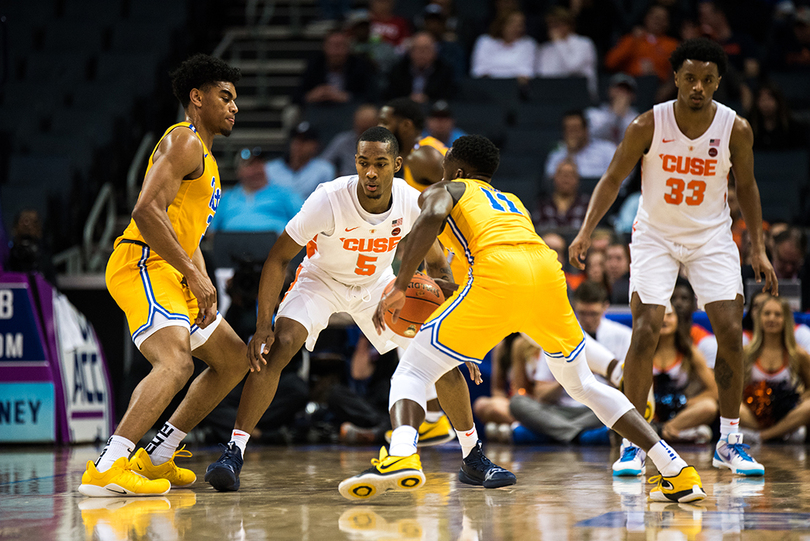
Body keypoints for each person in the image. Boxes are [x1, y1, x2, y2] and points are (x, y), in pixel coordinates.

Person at [340, 135, 706, 503]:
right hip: (546, 273)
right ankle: (675, 469)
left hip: (501, 273)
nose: (443, 166)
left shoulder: (447, 188)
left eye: (447, 160)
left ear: (460, 169)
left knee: (412, 372)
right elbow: (479, 279)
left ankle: (401, 454)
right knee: (583, 386)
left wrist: (401, 283)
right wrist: (466, 345)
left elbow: (432, 221)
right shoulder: (510, 201)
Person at [204, 127, 499, 492]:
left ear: (396, 164)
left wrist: (453, 333)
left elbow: (438, 266)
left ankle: (473, 457)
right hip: (320, 281)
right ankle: (234, 451)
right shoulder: (327, 199)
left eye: (379, 164)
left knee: (439, 354)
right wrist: (264, 322)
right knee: (281, 345)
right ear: (356, 163)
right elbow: (278, 258)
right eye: (363, 163)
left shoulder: (410, 200)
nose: (371, 172)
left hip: (378, 288)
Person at [570, 38, 778, 477]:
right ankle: (635, 443)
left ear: (718, 82)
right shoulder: (648, 124)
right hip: (655, 236)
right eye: (689, 78)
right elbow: (611, 179)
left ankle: (729, 440)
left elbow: (749, 188)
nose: (698, 86)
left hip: (712, 238)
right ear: (676, 80)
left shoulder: (735, 128)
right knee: (644, 331)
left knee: (729, 333)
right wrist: (587, 230)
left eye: (707, 79)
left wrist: (757, 246)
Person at [78, 54, 250, 497]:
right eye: (225, 97)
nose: (234, 107)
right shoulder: (184, 140)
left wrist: (203, 282)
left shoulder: (206, 158)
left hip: (173, 270)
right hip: (144, 262)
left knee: (233, 360)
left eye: (236, 100)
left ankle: (156, 456)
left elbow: (186, 232)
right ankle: (108, 466)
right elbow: (146, 211)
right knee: (175, 362)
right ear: (197, 98)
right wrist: (192, 274)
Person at [741, 295, 810, 442]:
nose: (771, 318)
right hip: (753, 417)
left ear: (786, 319)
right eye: (766, 314)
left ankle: (763, 436)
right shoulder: (747, 353)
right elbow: (735, 391)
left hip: (786, 415)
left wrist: (799, 400)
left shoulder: (798, 354)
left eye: (778, 314)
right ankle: (777, 433)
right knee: (728, 404)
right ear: (759, 318)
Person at [651, 308, 719, 444]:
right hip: (649, 410)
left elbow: (715, 391)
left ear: (677, 320)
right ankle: (672, 434)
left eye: (669, 315)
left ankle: (663, 431)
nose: (664, 320)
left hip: (680, 411)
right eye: (660, 316)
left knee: (709, 407)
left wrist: (684, 403)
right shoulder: (643, 352)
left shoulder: (690, 352)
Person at [209, 156, 303, 234]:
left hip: (274, 248)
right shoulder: (226, 198)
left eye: (259, 164)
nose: (256, 170)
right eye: (250, 165)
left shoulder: (285, 194)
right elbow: (211, 232)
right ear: (238, 172)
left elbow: (304, 222)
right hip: (233, 249)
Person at [295, 30, 377, 105]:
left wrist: (346, 97)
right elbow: (296, 95)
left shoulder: (360, 65)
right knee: (291, 112)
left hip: (351, 110)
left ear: (348, 48)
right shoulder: (315, 64)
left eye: (341, 45)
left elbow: (372, 96)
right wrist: (311, 95)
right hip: (318, 108)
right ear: (324, 47)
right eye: (333, 46)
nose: (337, 51)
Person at [534, 7, 598, 100]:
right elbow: (543, 76)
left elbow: (572, 67)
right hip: (553, 97)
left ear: (568, 25)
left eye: (557, 25)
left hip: (581, 95)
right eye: (550, 26)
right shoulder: (545, 48)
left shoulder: (584, 43)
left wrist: (559, 43)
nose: (553, 30)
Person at [605, 4, 679, 83]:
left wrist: (655, 73)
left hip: (656, 86)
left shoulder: (672, 45)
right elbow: (610, 63)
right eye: (654, 16)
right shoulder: (631, 38)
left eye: (662, 18)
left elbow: (674, 75)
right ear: (646, 17)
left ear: (667, 23)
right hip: (628, 84)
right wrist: (634, 41)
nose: (657, 20)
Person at [264, 122, 336, 200]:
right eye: (295, 139)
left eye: (304, 141)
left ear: (315, 145)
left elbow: (327, 201)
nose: (298, 144)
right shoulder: (269, 168)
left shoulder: (324, 170)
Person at [382, 31, 458, 103]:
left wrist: (429, 99)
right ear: (410, 52)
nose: (422, 54)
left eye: (426, 49)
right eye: (417, 49)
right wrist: (407, 100)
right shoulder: (398, 70)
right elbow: (390, 96)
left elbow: (449, 98)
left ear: (435, 52)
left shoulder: (445, 71)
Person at [544, 110, 617, 182]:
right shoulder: (556, 155)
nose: (573, 134)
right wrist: (570, 153)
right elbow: (551, 182)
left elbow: (620, 179)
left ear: (585, 130)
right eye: (569, 130)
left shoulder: (607, 150)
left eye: (575, 129)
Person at [470, 10, 536, 81]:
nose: (516, 28)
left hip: (516, 88)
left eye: (520, 24)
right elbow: (479, 71)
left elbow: (526, 72)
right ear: (501, 24)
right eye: (512, 23)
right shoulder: (485, 41)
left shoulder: (528, 44)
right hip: (487, 86)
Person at [671, 277, 718, 369]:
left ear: (694, 304)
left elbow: (711, 382)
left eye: (684, 298)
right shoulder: (656, 339)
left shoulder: (707, 342)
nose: (678, 303)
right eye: (672, 298)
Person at [320, 103, 379, 176]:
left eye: (367, 129)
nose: (363, 134)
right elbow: (323, 163)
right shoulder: (343, 140)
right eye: (360, 129)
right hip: (347, 182)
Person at [532, 159, 590, 231]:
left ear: (578, 179)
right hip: (548, 241)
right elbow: (537, 230)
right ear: (554, 178)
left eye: (571, 175)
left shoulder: (587, 204)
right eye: (562, 175)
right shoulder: (543, 203)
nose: (566, 180)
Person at [748, 82, 807, 151]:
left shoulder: (794, 129)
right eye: (762, 100)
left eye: (769, 99)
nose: (766, 104)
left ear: (778, 101)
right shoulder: (749, 128)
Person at [586, 73, 640, 146]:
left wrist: (621, 115)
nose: (621, 93)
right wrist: (614, 114)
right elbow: (592, 136)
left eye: (626, 91)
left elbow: (635, 141)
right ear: (609, 91)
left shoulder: (638, 119)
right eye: (618, 89)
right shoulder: (594, 114)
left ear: (633, 96)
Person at [604, 241, 630, 305]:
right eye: (609, 258)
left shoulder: (634, 291)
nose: (613, 264)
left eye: (619, 258)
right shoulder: (595, 287)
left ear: (628, 261)